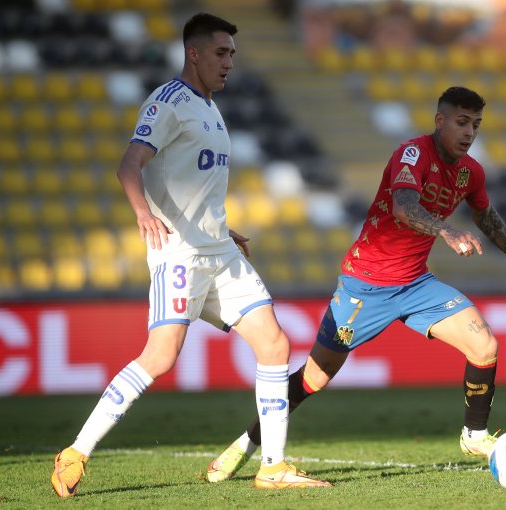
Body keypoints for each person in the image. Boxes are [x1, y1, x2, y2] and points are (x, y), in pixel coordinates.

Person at [204, 86, 506, 485]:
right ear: (439, 120)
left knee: (485, 345)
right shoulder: (411, 155)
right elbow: (404, 207)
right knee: (314, 379)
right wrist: (445, 231)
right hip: (365, 285)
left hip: (415, 284)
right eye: (461, 122)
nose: (469, 132)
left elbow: (487, 217)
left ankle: (474, 436)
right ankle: (247, 444)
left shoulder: (470, 172)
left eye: (476, 125)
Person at [49, 13, 320, 497]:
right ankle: (76, 452)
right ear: (193, 53)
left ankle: (273, 467)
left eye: (233, 53)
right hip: (179, 254)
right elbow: (129, 165)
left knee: (275, 345)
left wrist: (222, 227)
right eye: (221, 52)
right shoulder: (168, 102)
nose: (229, 62)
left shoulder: (212, 108)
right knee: (161, 357)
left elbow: (191, 184)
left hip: (218, 249)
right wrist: (142, 214)